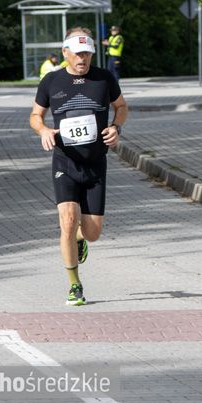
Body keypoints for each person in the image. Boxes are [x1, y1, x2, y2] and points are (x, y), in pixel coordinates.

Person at [30, 27, 128, 306]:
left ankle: (81, 240)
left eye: (87, 53)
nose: (82, 59)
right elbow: (35, 116)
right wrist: (44, 131)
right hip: (65, 161)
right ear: (66, 52)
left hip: (96, 163)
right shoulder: (51, 81)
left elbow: (121, 106)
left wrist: (116, 127)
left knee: (93, 232)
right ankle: (75, 285)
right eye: (77, 53)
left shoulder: (104, 78)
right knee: (67, 221)